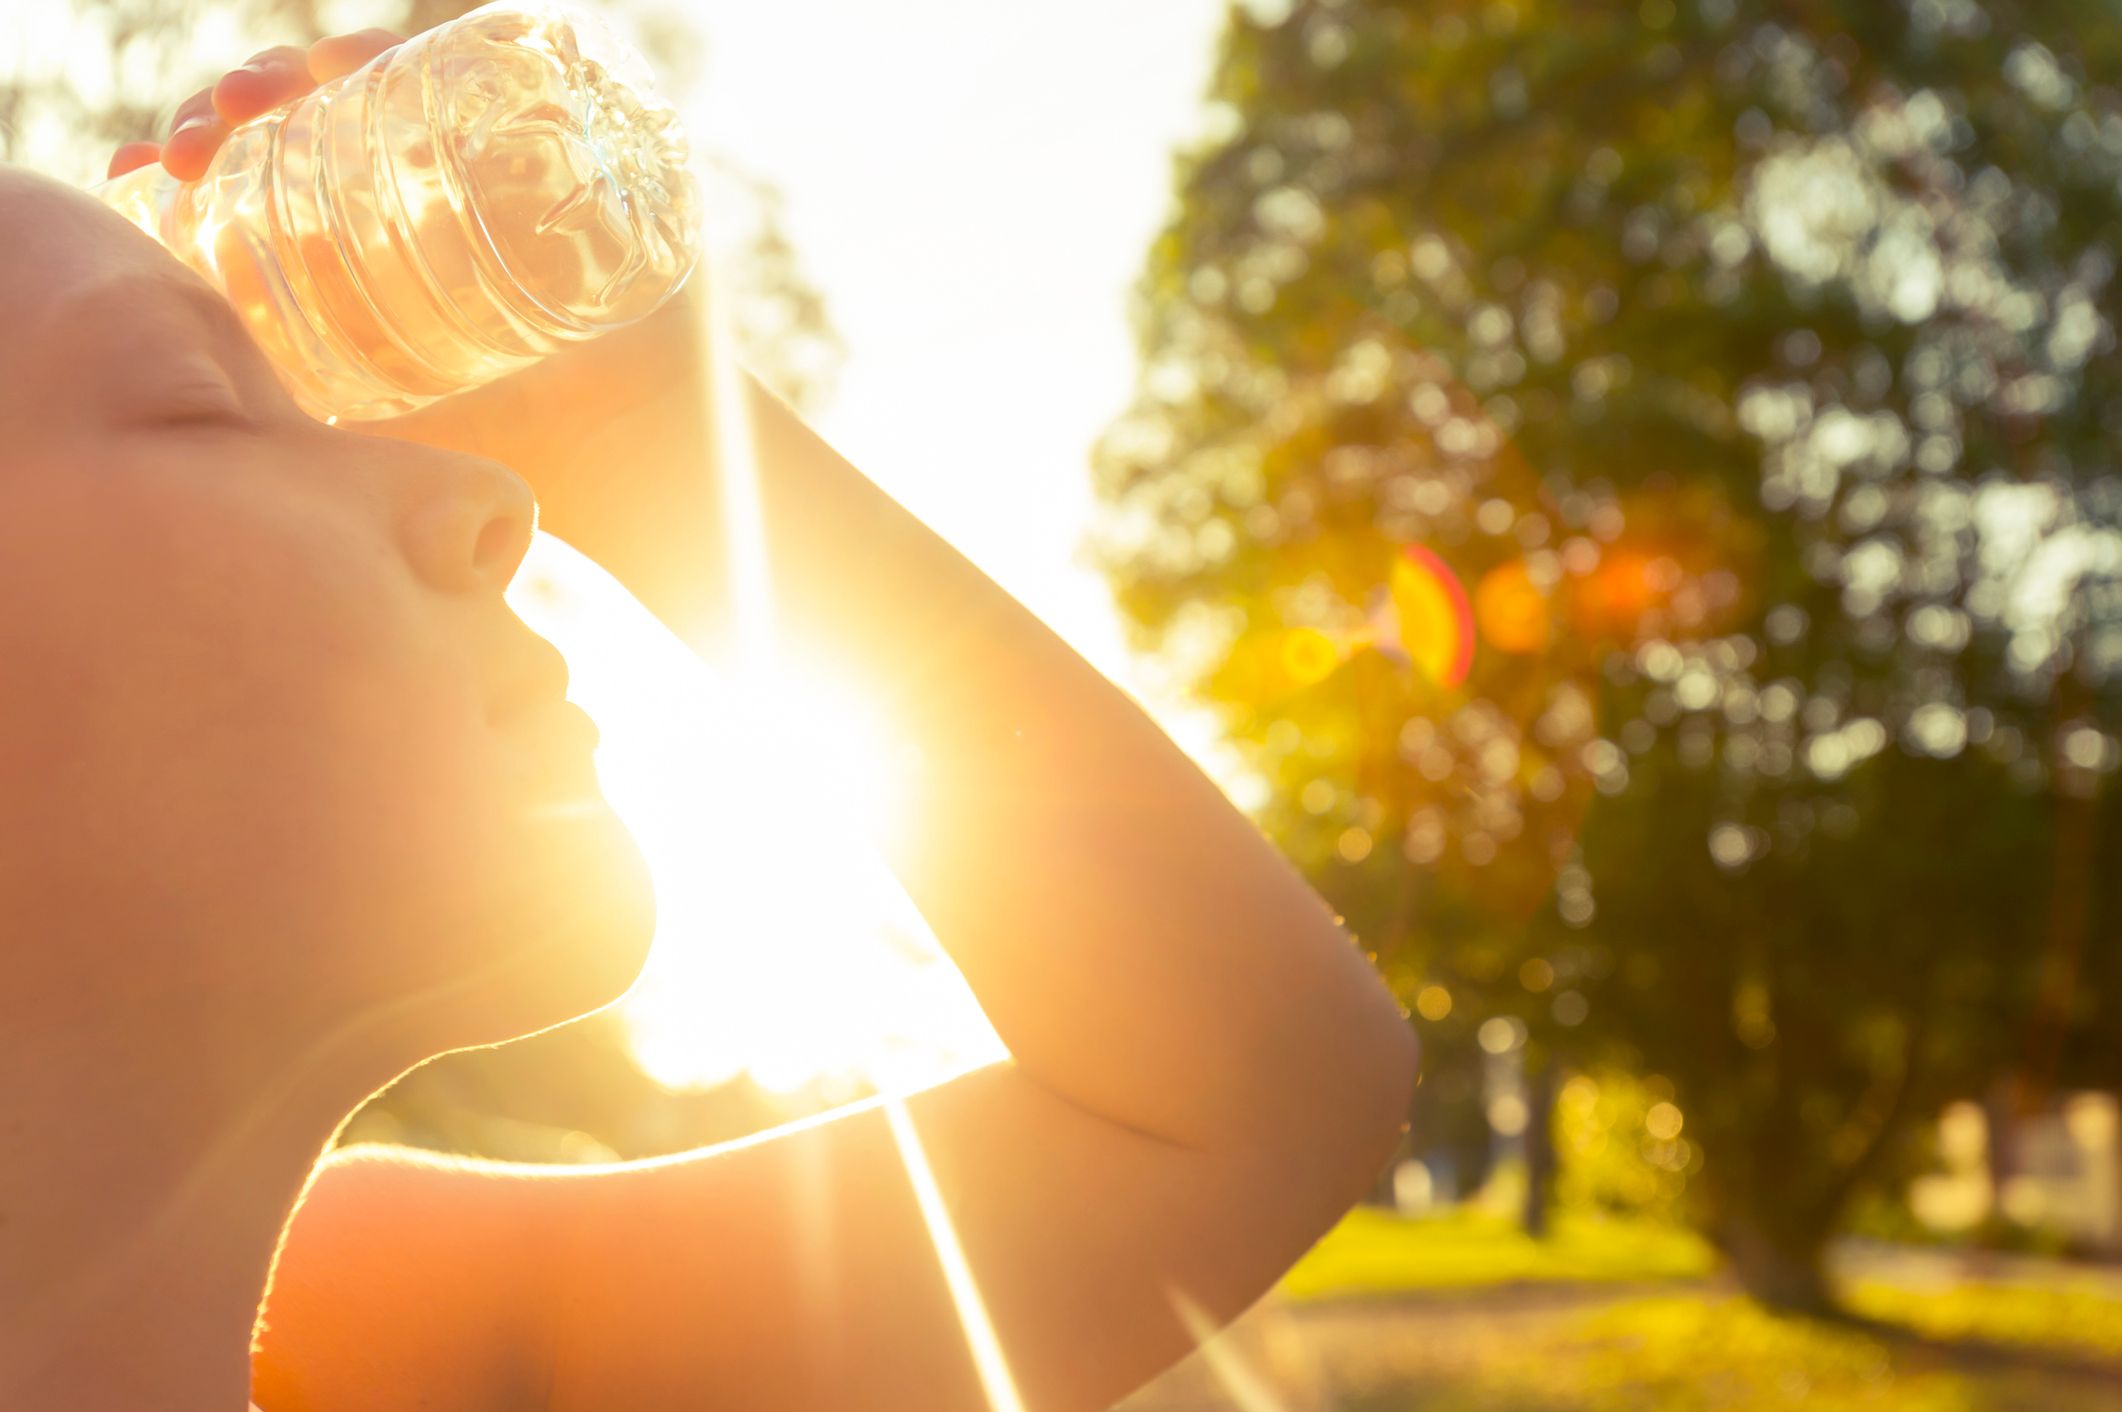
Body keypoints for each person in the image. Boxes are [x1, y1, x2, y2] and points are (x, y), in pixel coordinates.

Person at [0, 26, 1419, 1412]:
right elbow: (1243, 1115)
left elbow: (1257, 1093)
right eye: (194, 405)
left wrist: (642, 430)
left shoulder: (361, 1339)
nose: (495, 509)